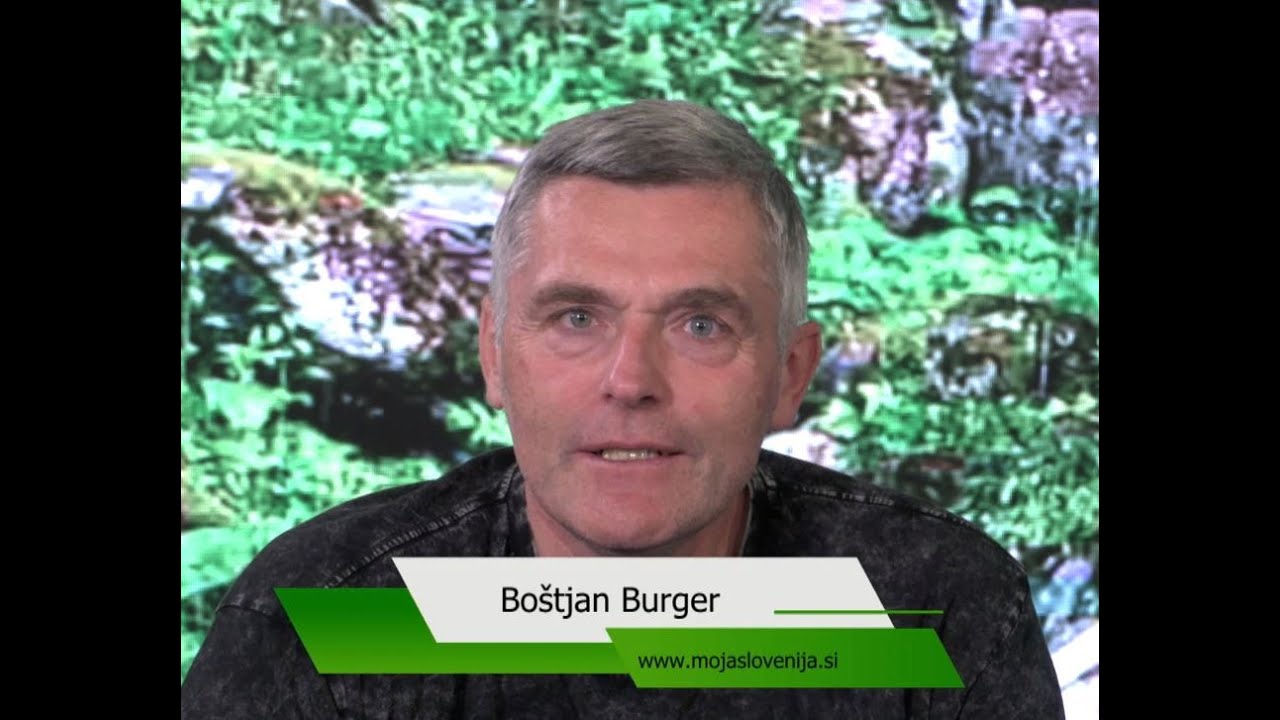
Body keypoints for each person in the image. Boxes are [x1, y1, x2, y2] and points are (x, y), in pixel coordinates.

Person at [181, 99, 1065, 718]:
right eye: (576, 318)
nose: (631, 379)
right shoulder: (325, 616)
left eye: (701, 324)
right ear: (494, 354)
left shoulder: (930, 610)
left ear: (790, 374)